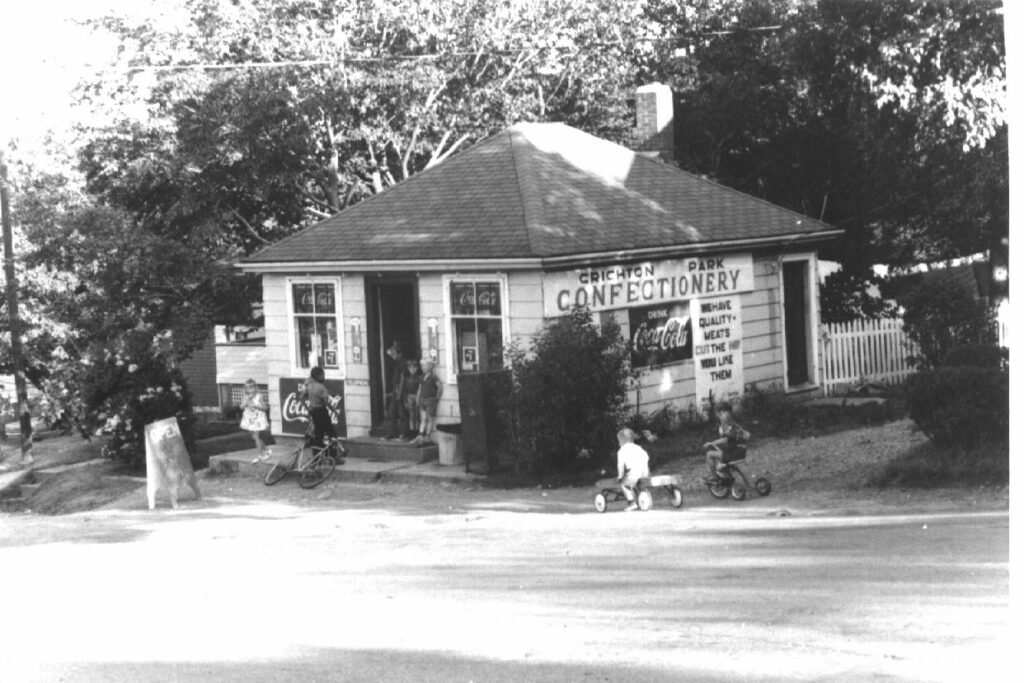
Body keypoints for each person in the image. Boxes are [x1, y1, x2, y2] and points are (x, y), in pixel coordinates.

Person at [702, 401, 749, 483]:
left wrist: (711, 443)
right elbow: (742, 432)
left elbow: (726, 439)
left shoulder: (725, 421)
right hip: (740, 450)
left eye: (717, 413)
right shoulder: (731, 420)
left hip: (732, 453)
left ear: (721, 411)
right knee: (719, 452)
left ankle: (714, 477)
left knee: (709, 454)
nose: (717, 415)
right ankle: (725, 475)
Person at [301, 366, 337, 451]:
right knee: (331, 433)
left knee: (318, 434)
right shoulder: (321, 388)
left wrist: (308, 408)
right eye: (323, 375)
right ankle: (334, 455)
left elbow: (302, 397)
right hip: (321, 411)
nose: (324, 377)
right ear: (319, 376)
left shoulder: (309, 386)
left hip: (314, 411)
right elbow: (326, 402)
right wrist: (333, 410)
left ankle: (316, 457)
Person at [616, 428, 650, 512]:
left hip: (633, 474)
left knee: (624, 484)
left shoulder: (621, 451)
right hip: (645, 473)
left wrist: (620, 477)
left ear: (622, 441)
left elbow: (620, 465)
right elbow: (646, 457)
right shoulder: (639, 448)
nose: (619, 443)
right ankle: (641, 495)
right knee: (637, 482)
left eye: (619, 441)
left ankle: (632, 503)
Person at [411, 358, 442, 445]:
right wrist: (418, 398)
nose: (423, 368)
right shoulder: (421, 377)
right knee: (423, 418)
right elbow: (419, 389)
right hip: (422, 400)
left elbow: (440, 387)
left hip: (431, 400)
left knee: (429, 418)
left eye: (425, 366)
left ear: (430, 366)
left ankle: (427, 436)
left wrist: (437, 398)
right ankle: (420, 435)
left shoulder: (433, 376)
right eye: (422, 366)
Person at [240, 379, 271, 464]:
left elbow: (265, 408)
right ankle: (266, 449)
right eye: (247, 387)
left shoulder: (259, 396)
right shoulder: (245, 396)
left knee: (256, 437)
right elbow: (241, 407)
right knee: (254, 437)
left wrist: (257, 406)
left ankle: (261, 455)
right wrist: (245, 402)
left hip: (257, 420)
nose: (249, 389)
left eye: (251, 387)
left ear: (255, 387)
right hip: (249, 419)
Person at [383, 341, 405, 439]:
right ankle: (390, 433)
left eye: (394, 353)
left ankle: (403, 433)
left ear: (399, 353)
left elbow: (402, 379)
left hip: (401, 390)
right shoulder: (396, 362)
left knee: (402, 413)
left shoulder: (402, 363)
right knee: (391, 412)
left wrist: (399, 392)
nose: (392, 355)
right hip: (396, 389)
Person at [399, 358, 423, 439]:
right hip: (409, 396)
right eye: (410, 368)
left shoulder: (419, 377)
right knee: (411, 414)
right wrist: (405, 400)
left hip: (417, 396)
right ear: (408, 369)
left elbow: (420, 388)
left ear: (417, 368)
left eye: (414, 368)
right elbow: (404, 390)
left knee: (417, 414)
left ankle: (417, 431)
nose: (412, 370)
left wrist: (419, 398)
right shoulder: (406, 378)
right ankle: (411, 431)